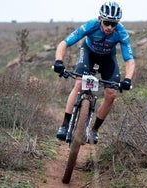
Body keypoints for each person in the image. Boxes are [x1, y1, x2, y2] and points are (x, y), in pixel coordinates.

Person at [53, 1, 135, 144]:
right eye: (107, 22)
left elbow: (129, 60)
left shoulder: (121, 32)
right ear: (100, 19)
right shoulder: (91, 25)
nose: (110, 27)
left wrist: (128, 79)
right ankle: (64, 126)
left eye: (113, 24)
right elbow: (64, 43)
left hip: (108, 58)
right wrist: (59, 62)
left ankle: (94, 130)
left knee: (112, 94)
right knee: (79, 83)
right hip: (89, 53)